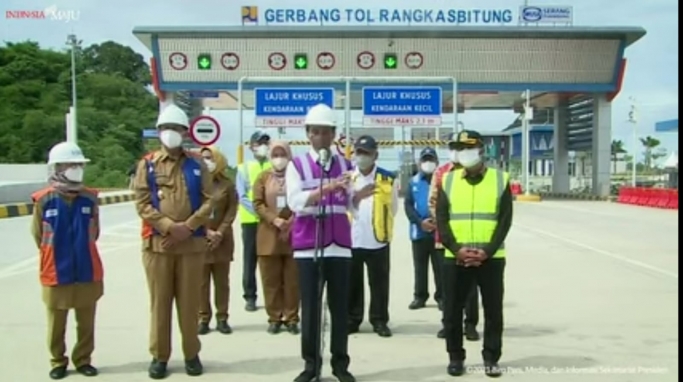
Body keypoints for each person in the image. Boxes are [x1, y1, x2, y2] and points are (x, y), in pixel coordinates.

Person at [133, 104, 214, 379]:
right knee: (160, 303)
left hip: (191, 246)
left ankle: (192, 354)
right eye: (166, 128)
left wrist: (188, 227)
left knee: (190, 304)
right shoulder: (148, 164)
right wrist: (169, 227)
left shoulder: (197, 163)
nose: (171, 133)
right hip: (158, 247)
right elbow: (142, 203)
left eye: (176, 128)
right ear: (158, 132)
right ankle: (159, 356)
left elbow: (209, 200)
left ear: (184, 132)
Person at [286, 103, 356, 382]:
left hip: (339, 245)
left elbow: (349, 202)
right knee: (312, 311)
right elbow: (294, 202)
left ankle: (341, 365)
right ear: (308, 134)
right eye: (316, 132)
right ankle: (311, 365)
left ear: (334, 134)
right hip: (309, 246)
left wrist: (359, 197)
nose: (322, 137)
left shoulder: (345, 164)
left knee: (340, 311)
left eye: (327, 132)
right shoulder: (297, 165)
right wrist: (325, 188)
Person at [435, 130, 513, 378]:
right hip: (455, 258)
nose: (464, 153)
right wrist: (456, 249)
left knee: (493, 311)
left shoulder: (500, 180)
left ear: (481, 150)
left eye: (469, 148)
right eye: (460, 149)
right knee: (452, 312)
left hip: (490, 259)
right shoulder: (447, 180)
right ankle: (455, 357)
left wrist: (487, 251)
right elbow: (442, 220)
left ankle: (491, 358)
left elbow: (505, 220)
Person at [31, 141, 102, 380]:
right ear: (58, 168)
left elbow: (96, 232)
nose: (77, 168)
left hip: (87, 269)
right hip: (55, 270)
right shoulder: (44, 200)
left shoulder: (90, 199)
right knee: (56, 323)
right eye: (71, 164)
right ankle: (57, 361)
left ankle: (83, 359)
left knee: (86, 322)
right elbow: (38, 236)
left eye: (79, 164)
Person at [348, 135, 398, 338]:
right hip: (352, 239)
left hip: (378, 239)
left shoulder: (387, 178)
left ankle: (379, 320)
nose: (362, 157)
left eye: (366, 153)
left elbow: (393, 207)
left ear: (375, 154)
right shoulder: (348, 178)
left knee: (379, 284)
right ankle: (352, 319)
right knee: (352, 284)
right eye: (359, 152)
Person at [432, 134, 481, 342]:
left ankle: (470, 325)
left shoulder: (480, 173)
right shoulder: (442, 173)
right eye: (453, 147)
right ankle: (449, 324)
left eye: (460, 147)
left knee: (471, 288)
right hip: (448, 241)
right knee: (448, 288)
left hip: (473, 238)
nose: (457, 151)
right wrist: (447, 234)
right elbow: (433, 204)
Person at [253, 140, 300, 335]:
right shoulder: (262, 177)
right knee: (270, 280)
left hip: (294, 234)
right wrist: (275, 220)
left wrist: (291, 222)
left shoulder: (297, 176)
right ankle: (274, 317)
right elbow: (258, 203)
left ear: (289, 155)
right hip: (268, 235)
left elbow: (303, 200)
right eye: (275, 154)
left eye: (283, 154)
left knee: (292, 280)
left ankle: (291, 318)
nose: (279, 158)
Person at [197, 146, 238, 336]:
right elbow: (190, 210)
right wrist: (205, 231)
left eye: (210, 158)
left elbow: (231, 211)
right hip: (200, 238)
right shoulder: (195, 183)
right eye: (203, 158)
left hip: (222, 239)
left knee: (222, 282)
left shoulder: (227, 185)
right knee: (201, 282)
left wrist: (219, 232)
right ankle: (203, 318)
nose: (207, 161)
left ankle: (223, 318)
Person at [236, 131, 272, 311]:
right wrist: (259, 212)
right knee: (250, 260)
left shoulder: (273, 166)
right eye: (259, 143)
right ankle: (250, 296)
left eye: (266, 142)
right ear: (251, 146)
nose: (263, 146)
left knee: (270, 259)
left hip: (270, 221)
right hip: (251, 220)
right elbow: (241, 196)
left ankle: (272, 297)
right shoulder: (243, 168)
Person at [404, 147, 442, 311]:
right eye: (425, 160)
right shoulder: (413, 182)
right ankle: (420, 296)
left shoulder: (442, 180)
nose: (428, 163)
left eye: (431, 160)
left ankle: (442, 297)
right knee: (420, 268)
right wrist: (420, 223)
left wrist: (436, 223)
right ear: (419, 163)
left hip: (438, 232)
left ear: (437, 162)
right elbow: (408, 205)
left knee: (440, 267)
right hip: (418, 232)